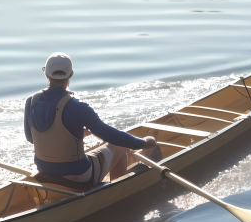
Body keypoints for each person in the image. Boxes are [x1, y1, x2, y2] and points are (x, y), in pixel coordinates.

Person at [24, 52, 161, 189]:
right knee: (120, 145)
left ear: (46, 75)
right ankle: (118, 191)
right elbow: (111, 136)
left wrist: (68, 136)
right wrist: (142, 144)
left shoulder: (30, 102)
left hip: (44, 173)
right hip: (79, 177)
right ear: (70, 75)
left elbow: (32, 138)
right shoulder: (79, 107)